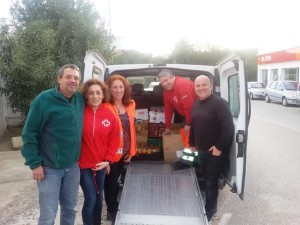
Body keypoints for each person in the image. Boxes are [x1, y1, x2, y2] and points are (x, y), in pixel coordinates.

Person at [21, 64, 84, 225]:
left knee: (70, 210)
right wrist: (34, 164)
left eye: (76, 78)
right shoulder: (44, 100)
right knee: (48, 214)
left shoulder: (79, 99)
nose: (73, 81)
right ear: (59, 79)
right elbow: (29, 134)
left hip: (73, 167)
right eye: (68, 77)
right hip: (49, 169)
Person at [189, 75, 234, 221]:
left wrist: (219, 148)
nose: (201, 88)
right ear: (195, 88)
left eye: (204, 85)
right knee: (203, 178)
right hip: (200, 151)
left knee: (210, 182)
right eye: (198, 85)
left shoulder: (219, 103)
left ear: (210, 86)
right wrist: (192, 144)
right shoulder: (196, 104)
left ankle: (210, 211)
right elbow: (193, 126)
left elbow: (228, 128)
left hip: (214, 153)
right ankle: (206, 205)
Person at [79, 79, 120, 225]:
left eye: (98, 93)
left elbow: (115, 140)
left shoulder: (109, 114)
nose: (95, 96)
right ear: (86, 95)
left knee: (98, 197)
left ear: (103, 95)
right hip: (83, 164)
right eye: (91, 93)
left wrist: (108, 160)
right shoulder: (80, 112)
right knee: (90, 198)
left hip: (101, 164)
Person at [104, 74, 137, 223]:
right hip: (109, 154)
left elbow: (131, 129)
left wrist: (130, 151)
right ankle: (112, 210)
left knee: (116, 180)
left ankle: (112, 206)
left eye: (121, 87)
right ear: (109, 89)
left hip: (124, 152)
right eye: (115, 87)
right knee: (110, 184)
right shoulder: (104, 105)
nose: (118, 90)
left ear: (125, 89)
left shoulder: (130, 104)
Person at [157, 69, 197, 135]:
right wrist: (167, 127)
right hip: (188, 115)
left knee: (189, 135)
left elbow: (189, 107)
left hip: (197, 114)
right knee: (183, 132)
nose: (164, 84)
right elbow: (168, 110)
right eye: (162, 83)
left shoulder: (182, 86)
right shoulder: (166, 92)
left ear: (172, 77)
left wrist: (188, 124)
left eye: (166, 80)